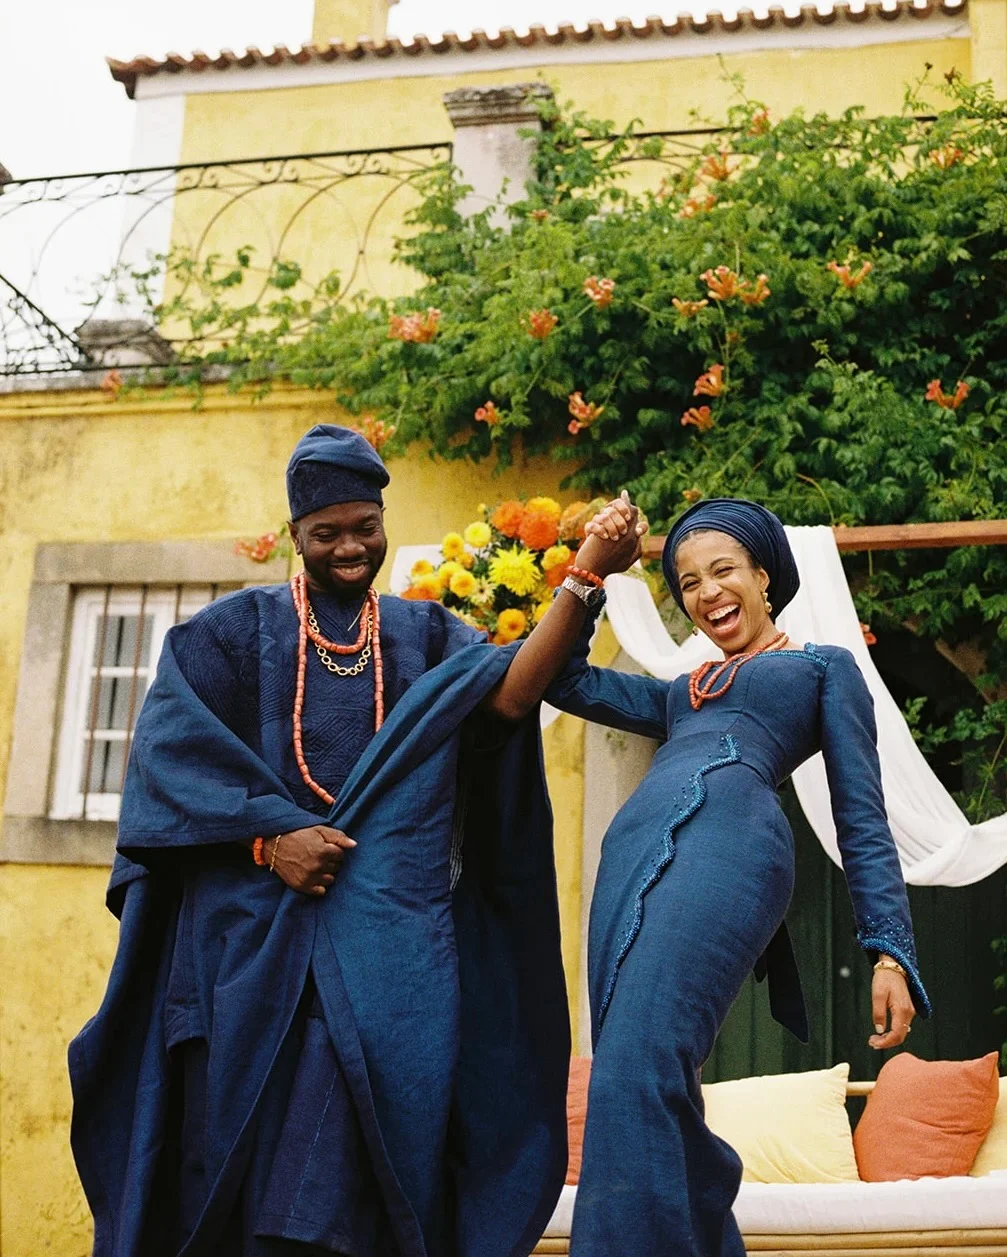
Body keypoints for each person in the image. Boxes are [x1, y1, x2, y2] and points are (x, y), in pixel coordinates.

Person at [69, 425, 647, 1257]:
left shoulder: (426, 636)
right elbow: (167, 767)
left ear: (383, 519)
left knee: (371, 1182)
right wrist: (271, 842)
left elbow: (514, 694)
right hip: (252, 965)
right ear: (295, 533)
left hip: (390, 965)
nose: (349, 547)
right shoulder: (229, 636)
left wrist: (585, 574)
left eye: (364, 527)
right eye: (325, 533)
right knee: (239, 1181)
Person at [544, 496, 931, 1257]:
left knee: (638, 1065)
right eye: (687, 581)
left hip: (733, 850)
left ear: (762, 576)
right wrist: (590, 569)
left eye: (723, 570)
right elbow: (561, 679)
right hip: (627, 862)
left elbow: (860, 815)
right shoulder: (676, 693)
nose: (706, 591)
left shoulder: (823, 667)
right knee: (639, 1066)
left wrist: (889, 947)